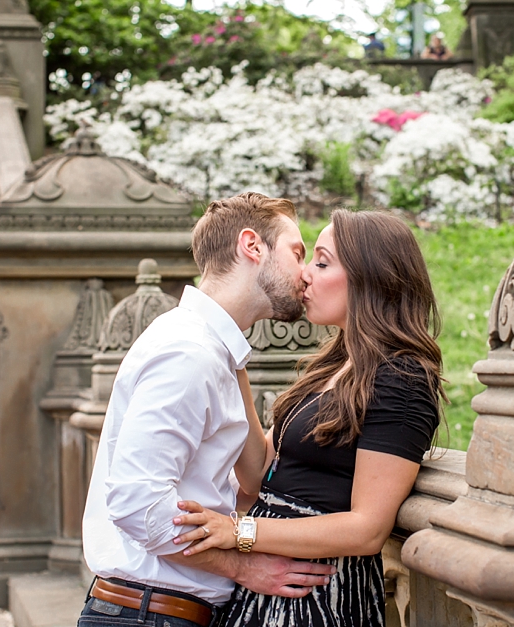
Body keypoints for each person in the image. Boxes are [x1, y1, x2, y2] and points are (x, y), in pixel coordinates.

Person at [171, 209, 445, 627]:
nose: (304, 276)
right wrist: (234, 356)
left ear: (370, 275)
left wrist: (240, 532)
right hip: (268, 587)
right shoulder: (333, 365)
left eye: (321, 261)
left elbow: (367, 529)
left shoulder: (401, 379)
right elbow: (258, 471)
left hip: (318, 596)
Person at [79, 193, 336, 627]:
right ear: (252, 246)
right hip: (148, 614)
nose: (306, 272)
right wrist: (242, 567)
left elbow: (255, 474)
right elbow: (136, 501)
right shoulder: (188, 352)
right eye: (297, 253)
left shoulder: (214, 350)